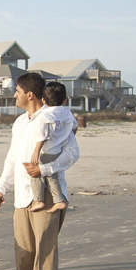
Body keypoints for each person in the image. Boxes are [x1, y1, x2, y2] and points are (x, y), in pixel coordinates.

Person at [0, 72, 79, 270]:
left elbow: (73, 153)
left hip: (48, 198)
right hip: (22, 196)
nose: (14, 95)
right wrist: (0, 189)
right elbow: (11, 158)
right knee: (25, 252)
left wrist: (44, 169)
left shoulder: (54, 118)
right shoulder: (19, 123)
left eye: (17, 91)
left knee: (45, 252)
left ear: (30, 94)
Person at [29, 82, 78, 213]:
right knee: (53, 176)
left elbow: (42, 136)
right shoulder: (67, 113)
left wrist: (35, 152)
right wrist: (65, 135)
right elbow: (74, 127)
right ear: (64, 100)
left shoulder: (44, 116)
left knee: (37, 175)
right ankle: (59, 200)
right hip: (58, 150)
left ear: (43, 100)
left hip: (46, 151)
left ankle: (38, 200)